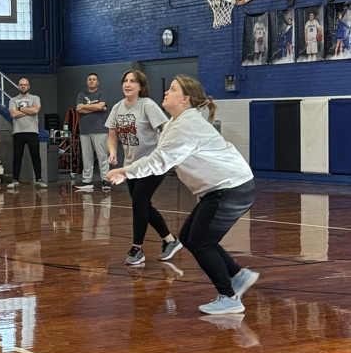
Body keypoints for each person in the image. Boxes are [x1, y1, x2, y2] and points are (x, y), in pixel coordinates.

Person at [107, 75, 259, 316]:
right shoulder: (176, 123)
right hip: (222, 189)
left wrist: (125, 172)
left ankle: (229, 297)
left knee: (200, 242)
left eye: (172, 89)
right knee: (189, 237)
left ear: (185, 99)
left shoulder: (185, 126)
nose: (166, 92)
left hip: (231, 188)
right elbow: (160, 156)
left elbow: (159, 161)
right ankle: (238, 275)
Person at [106, 70, 180, 267]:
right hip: (131, 166)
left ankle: (137, 248)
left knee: (139, 202)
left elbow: (166, 129)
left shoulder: (147, 105)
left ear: (141, 86)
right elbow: (112, 134)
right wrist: (112, 152)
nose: (128, 84)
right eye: (125, 81)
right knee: (143, 205)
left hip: (153, 164)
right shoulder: (117, 108)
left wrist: (171, 153)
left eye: (133, 81)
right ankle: (170, 240)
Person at [7, 77, 47, 189]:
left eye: (25, 85)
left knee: (35, 156)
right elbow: (13, 114)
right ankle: (15, 180)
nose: (23, 86)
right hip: (18, 132)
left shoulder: (35, 98)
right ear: (18, 86)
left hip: (32, 131)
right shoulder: (13, 100)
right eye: (21, 85)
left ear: (28, 86)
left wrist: (20, 109)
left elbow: (35, 110)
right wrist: (29, 110)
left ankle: (39, 179)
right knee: (17, 156)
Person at [75, 72, 110, 192]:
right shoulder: (81, 95)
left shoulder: (102, 94)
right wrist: (98, 107)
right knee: (86, 157)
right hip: (85, 130)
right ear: (87, 82)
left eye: (94, 79)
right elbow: (80, 109)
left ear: (98, 82)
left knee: (102, 156)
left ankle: (105, 180)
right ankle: (87, 181)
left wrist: (85, 106)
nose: (91, 81)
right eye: (89, 79)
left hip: (100, 130)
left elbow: (99, 106)